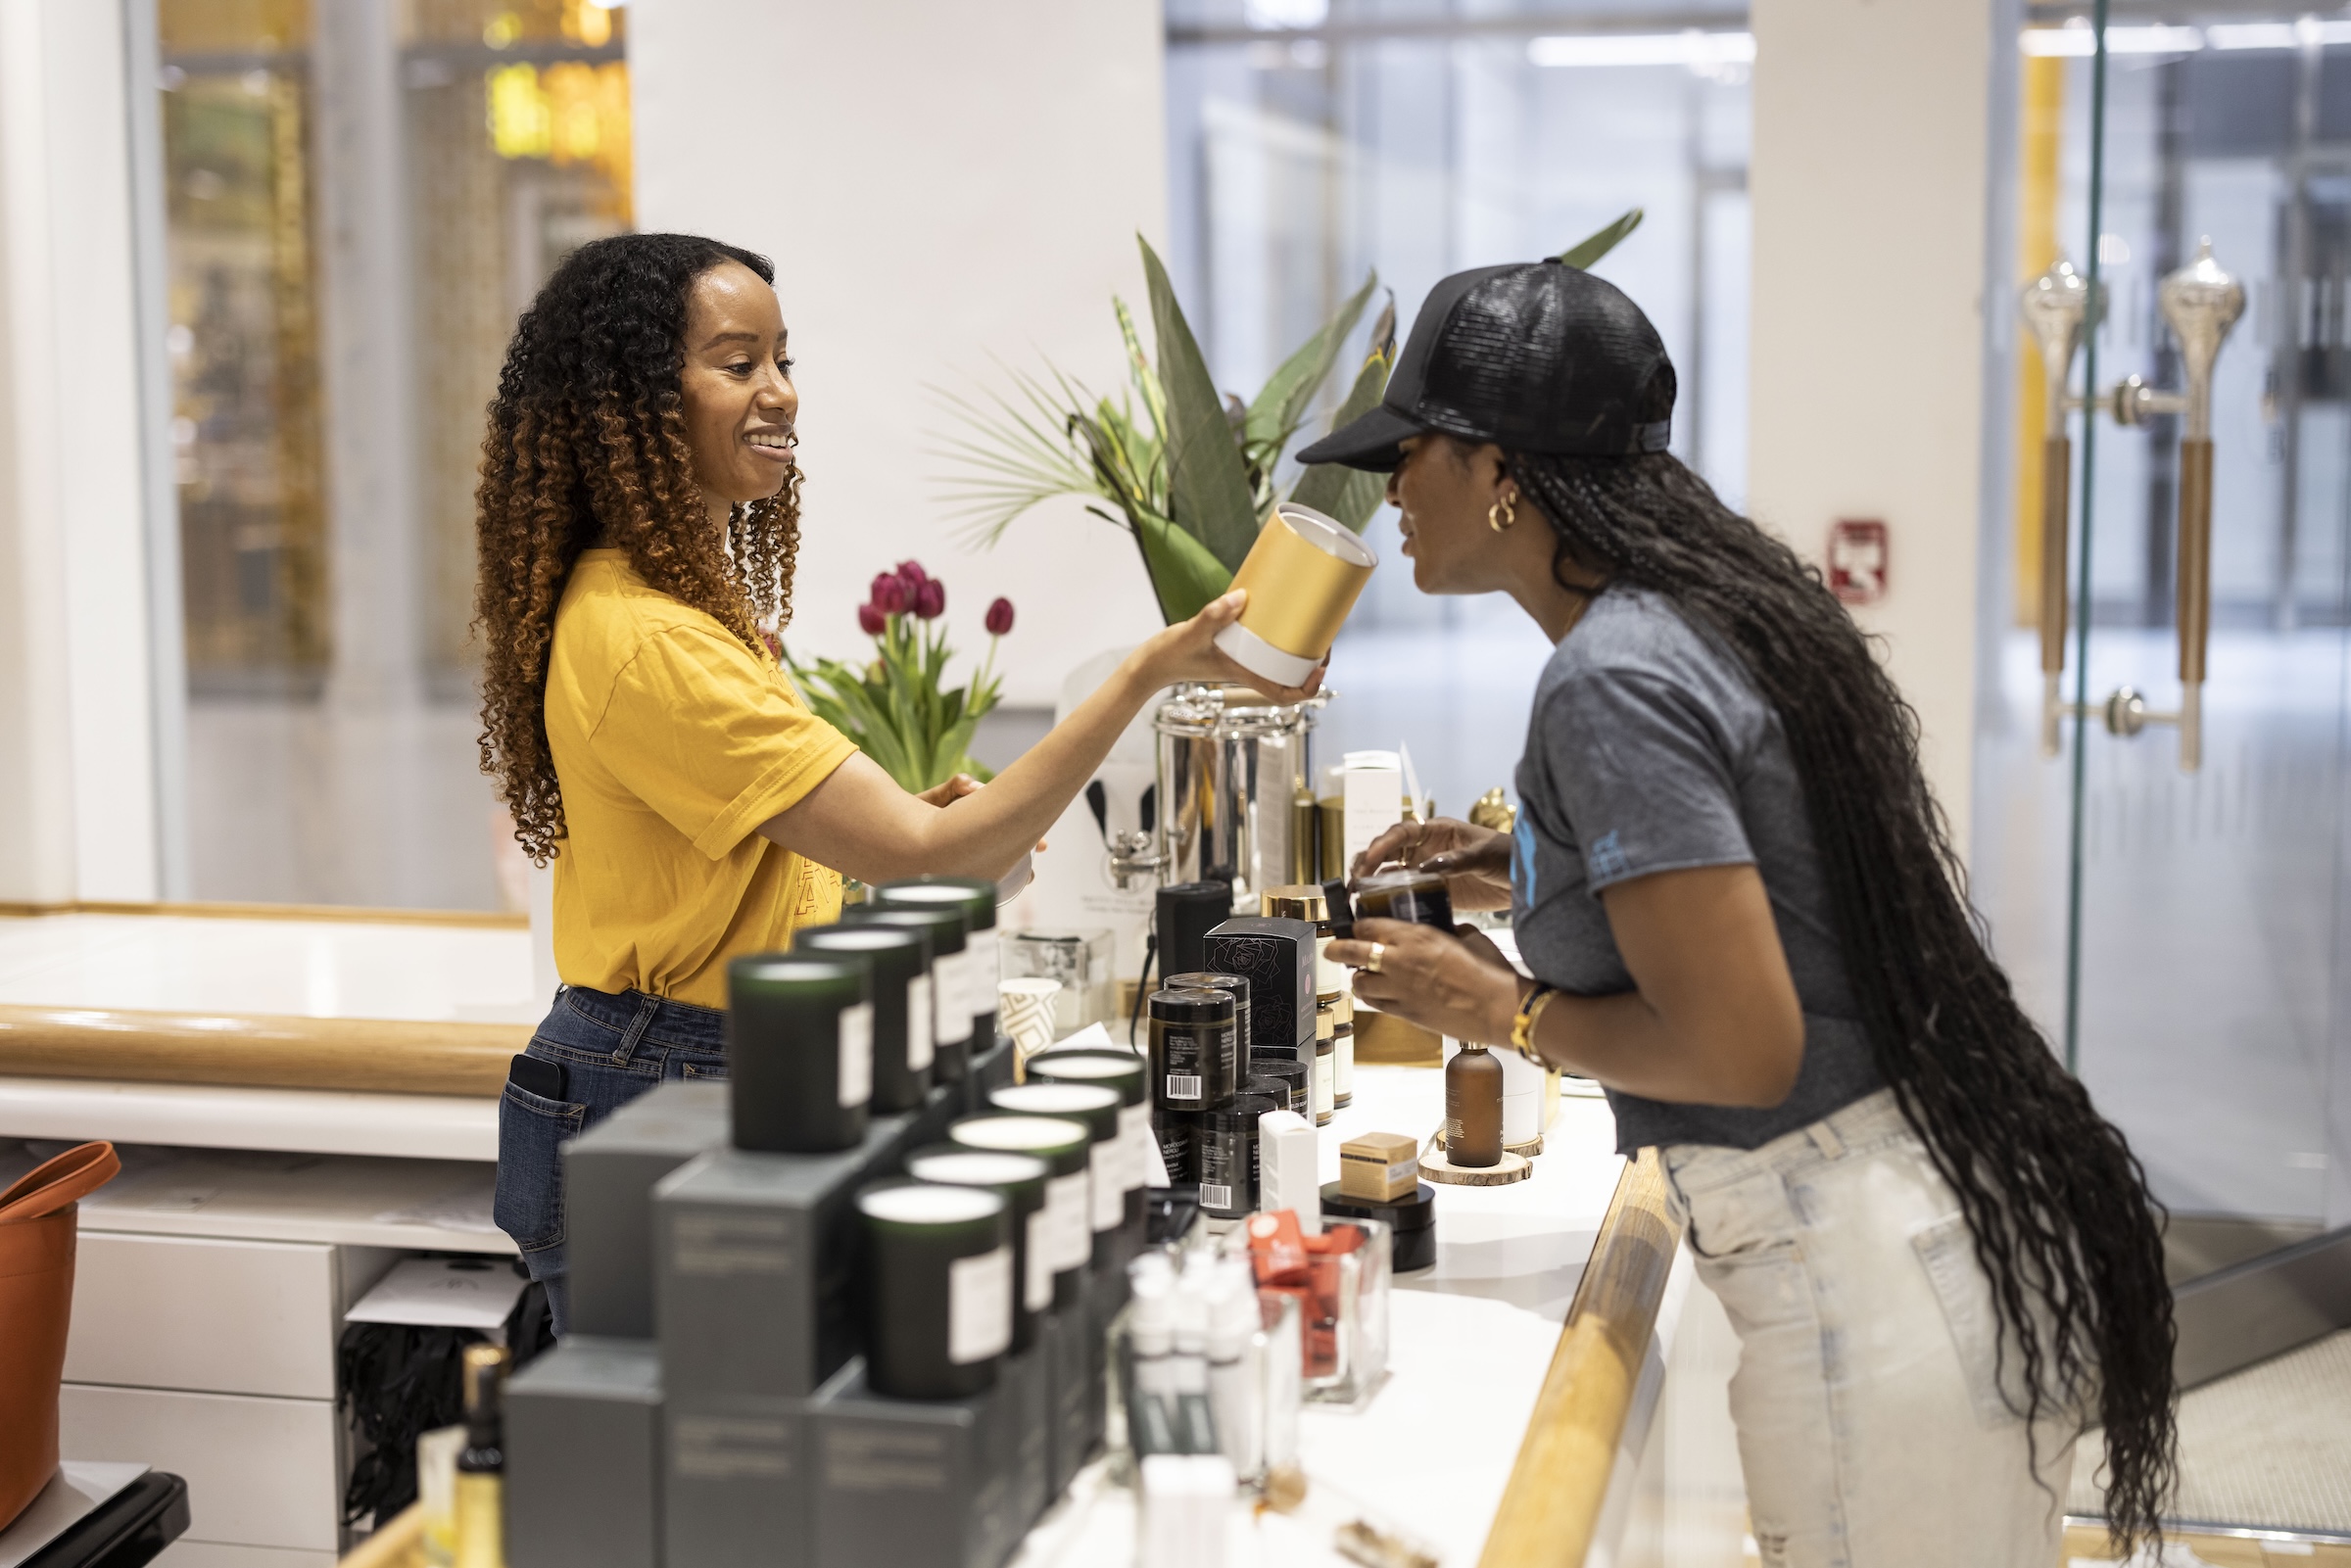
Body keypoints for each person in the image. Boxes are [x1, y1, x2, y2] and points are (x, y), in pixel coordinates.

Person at [1306, 259, 2174, 1564]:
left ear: (1501, 474)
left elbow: (1740, 1049)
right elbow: (1769, 863)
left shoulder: (1608, 681)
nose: (1388, 494)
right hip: (1931, 1233)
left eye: (1408, 452)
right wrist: (1519, 862)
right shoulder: (1700, 613)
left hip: (1862, 1287)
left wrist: (1502, 1006)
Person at [473, 233, 1315, 1331]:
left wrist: (896, 868)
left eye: (784, 359)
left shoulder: (678, 612)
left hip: (708, 1058)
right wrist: (1152, 667)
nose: (779, 392)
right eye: (738, 364)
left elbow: (776, 880)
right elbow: (926, 852)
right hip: (660, 1082)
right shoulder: (647, 641)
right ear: (634, 401)